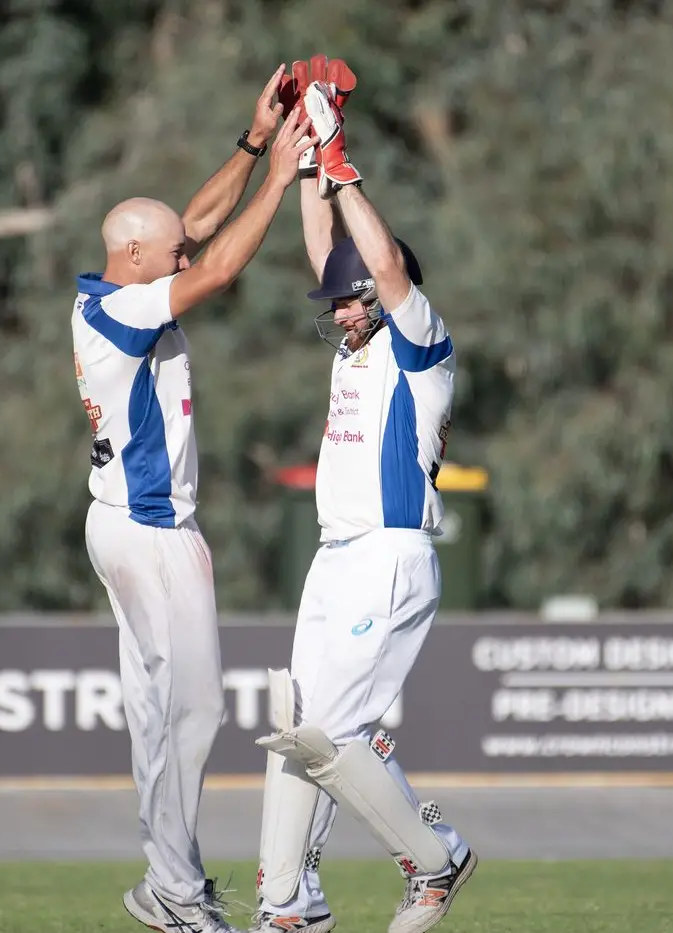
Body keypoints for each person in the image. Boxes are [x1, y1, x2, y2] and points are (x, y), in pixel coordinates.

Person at [71, 66, 316, 933]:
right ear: (135, 258)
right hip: (148, 530)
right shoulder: (120, 315)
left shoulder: (115, 291)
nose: (181, 250)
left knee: (156, 709)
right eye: (165, 251)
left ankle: (164, 879)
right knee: (197, 705)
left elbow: (195, 230)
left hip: (122, 523)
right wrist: (283, 179)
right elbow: (209, 268)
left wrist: (254, 140)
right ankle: (174, 890)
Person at [247, 61, 478, 933]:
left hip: (388, 553)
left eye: (353, 302)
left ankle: (435, 858)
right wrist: (310, 147)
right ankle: (288, 904)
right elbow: (331, 250)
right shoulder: (357, 344)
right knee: (298, 723)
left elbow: (375, 263)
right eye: (337, 305)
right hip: (336, 554)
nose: (341, 313)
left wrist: (342, 162)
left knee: (329, 738)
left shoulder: (421, 343)